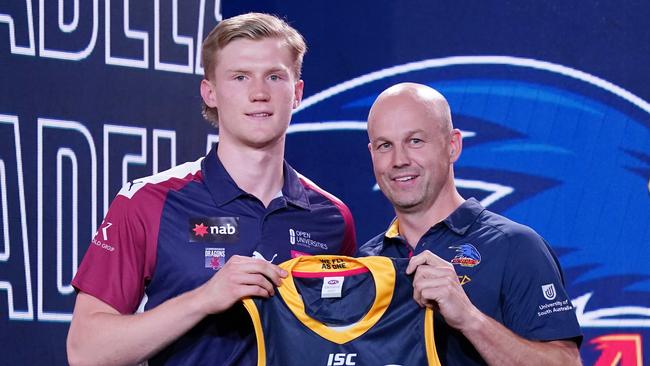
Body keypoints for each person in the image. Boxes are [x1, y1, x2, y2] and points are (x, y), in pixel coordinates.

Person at [67, 13, 356, 366]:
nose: (259, 93)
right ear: (211, 92)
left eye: (274, 76)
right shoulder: (148, 202)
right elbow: (85, 352)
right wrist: (204, 299)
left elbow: (346, 343)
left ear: (296, 93)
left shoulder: (332, 217)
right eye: (240, 77)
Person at [358, 83, 582, 365]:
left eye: (415, 141)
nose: (399, 160)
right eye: (385, 146)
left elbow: (567, 363)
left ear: (453, 145)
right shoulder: (365, 263)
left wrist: (470, 318)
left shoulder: (515, 246)